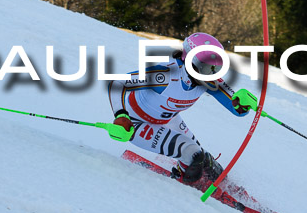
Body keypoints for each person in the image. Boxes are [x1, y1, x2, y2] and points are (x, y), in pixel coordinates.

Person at [108, 32, 257, 184]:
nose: (211, 74)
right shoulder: (165, 75)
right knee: (193, 155)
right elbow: (118, 83)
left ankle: (224, 186)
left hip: (167, 120)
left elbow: (236, 107)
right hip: (136, 123)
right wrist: (121, 115)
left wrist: (242, 105)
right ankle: (183, 182)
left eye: (216, 68)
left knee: (204, 160)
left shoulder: (207, 79)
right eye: (206, 67)